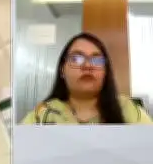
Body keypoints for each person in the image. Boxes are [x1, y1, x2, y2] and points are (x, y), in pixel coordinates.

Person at [21, 32, 153, 125]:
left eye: (96, 60)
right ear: (62, 70)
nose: (88, 65)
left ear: (105, 72)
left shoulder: (127, 110)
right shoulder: (42, 114)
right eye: (76, 58)